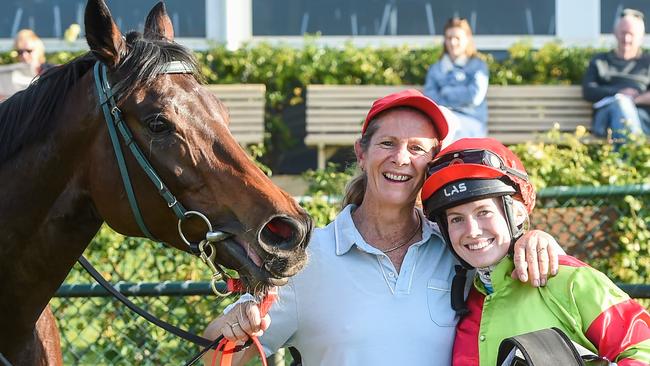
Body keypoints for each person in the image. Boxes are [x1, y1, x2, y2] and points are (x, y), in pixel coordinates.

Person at [203, 90, 563, 366]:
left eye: (417, 148)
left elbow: (520, 283)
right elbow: (215, 358)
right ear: (362, 153)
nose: (401, 158)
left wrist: (531, 239)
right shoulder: (304, 261)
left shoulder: (458, 248)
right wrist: (233, 328)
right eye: (388, 143)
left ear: (432, 162)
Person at [421, 137, 650, 365]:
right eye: (456, 219)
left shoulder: (570, 280)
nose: (472, 230)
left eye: (484, 212)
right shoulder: (466, 301)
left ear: (518, 213)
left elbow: (643, 350)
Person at [582, 8, 650, 144]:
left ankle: (622, 160)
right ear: (615, 33)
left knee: (625, 105)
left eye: (631, 34)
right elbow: (588, 91)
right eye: (623, 33)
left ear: (641, 37)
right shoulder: (600, 61)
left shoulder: (647, 63)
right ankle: (633, 154)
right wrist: (619, 94)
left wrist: (636, 99)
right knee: (621, 103)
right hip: (605, 120)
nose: (626, 39)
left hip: (642, 119)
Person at [423, 17, 489, 141]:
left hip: (471, 119)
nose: (453, 42)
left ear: (467, 39)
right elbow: (430, 99)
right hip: (444, 117)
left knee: (450, 131)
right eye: (449, 38)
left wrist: (446, 91)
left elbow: (474, 96)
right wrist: (459, 94)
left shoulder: (478, 65)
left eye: (457, 38)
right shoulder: (435, 68)